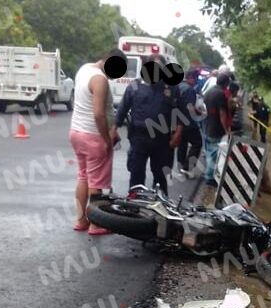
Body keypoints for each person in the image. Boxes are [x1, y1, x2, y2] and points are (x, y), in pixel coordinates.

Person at [69, 49, 122, 235]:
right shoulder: (100, 79)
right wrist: (107, 139)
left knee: (83, 176)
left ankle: (81, 220)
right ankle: (96, 223)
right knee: (96, 182)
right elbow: (99, 114)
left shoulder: (84, 69)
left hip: (76, 132)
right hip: (93, 135)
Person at [115, 55, 184, 196]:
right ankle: (134, 205)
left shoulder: (172, 87)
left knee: (160, 175)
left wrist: (178, 133)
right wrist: (113, 129)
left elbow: (180, 112)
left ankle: (161, 204)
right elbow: (122, 109)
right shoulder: (134, 86)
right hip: (139, 137)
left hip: (162, 139)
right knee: (136, 173)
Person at [202, 72, 232, 205]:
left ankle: (209, 175)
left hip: (207, 125)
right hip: (216, 129)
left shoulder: (209, 92)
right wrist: (227, 130)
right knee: (213, 154)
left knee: (209, 151)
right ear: (226, 83)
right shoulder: (220, 94)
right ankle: (209, 178)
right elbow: (222, 113)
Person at [176, 69, 205, 177]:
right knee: (197, 143)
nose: (197, 81)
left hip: (178, 121)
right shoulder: (189, 90)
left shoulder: (178, 86)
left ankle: (180, 166)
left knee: (182, 144)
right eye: (196, 78)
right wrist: (200, 113)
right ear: (191, 78)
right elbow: (190, 107)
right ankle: (187, 168)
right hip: (188, 122)